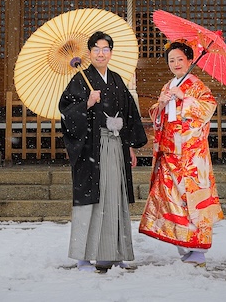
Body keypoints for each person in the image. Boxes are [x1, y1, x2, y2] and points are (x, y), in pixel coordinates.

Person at [59, 30, 147, 273]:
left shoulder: (117, 80)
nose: (101, 53)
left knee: (114, 198)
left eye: (105, 49)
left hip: (116, 146)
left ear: (111, 52)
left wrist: (128, 146)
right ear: (88, 53)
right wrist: (86, 103)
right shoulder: (79, 80)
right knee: (92, 199)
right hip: (91, 148)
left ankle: (113, 253)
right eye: (96, 49)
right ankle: (84, 257)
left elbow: (129, 115)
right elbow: (66, 112)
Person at [138, 40, 223, 266]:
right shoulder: (168, 86)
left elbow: (208, 107)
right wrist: (161, 104)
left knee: (193, 201)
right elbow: (158, 117)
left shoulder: (196, 85)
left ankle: (197, 249)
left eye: (180, 59)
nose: (175, 64)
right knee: (171, 198)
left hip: (190, 156)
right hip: (169, 152)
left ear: (189, 61)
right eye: (171, 60)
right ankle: (184, 244)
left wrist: (185, 98)